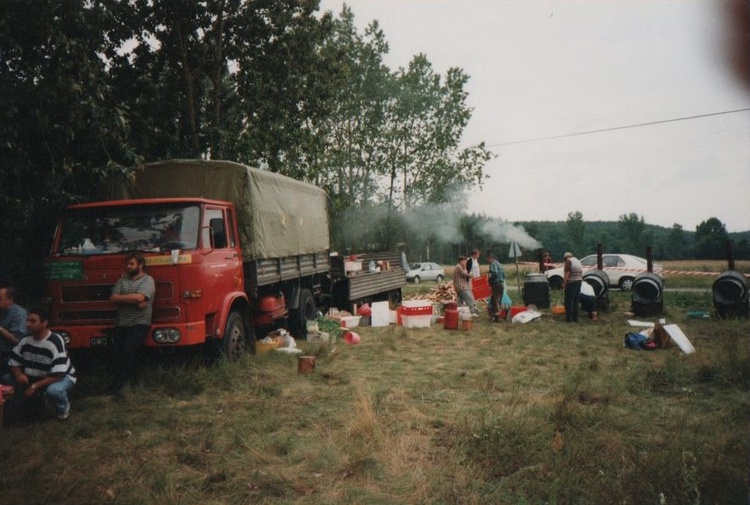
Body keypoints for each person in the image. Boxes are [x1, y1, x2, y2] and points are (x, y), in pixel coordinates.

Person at [2, 306, 76, 422]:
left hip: (59, 377)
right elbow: (13, 362)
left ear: (44, 323)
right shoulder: (25, 340)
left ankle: (63, 410)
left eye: (33, 321)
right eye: (27, 320)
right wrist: (19, 375)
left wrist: (34, 386)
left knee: (54, 391)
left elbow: (58, 374)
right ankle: (17, 413)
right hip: (34, 377)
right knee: (7, 379)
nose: (28, 324)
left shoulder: (55, 341)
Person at [108, 251, 155, 394]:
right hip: (121, 323)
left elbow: (140, 298)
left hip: (139, 323)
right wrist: (133, 300)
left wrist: (122, 298)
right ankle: (126, 386)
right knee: (118, 354)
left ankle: (121, 387)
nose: (128, 267)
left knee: (129, 351)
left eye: (131, 264)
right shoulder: (122, 279)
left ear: (140, 265)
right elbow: (113, 298)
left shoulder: (148, 280)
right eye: (127, 264)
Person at [0, 286, 27, 373]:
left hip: (9, 355)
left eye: (0, 299)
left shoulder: (19, 314)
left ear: (10, 299)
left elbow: (17, 341)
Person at [563, 252, 583, 322]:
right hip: (579, 281)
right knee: (576, 301)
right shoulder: (577, 260)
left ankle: (569, 319)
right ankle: (575, 318)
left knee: (569, 301)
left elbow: (567, 272)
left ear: (565, 258)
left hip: (572, 282)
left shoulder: (568, 261)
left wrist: (564, 282)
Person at [487, 253, 506, 322]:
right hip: (501, 284)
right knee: (498, 300)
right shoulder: (500, 264)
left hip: (496, 284)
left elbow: (494, 273)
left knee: (494, 301)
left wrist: (490, 280)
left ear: (491, 258)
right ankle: (496, 317)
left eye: (488, 259)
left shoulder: (493, 264)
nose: (488, 261)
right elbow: (504, 276)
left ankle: (496, 318)